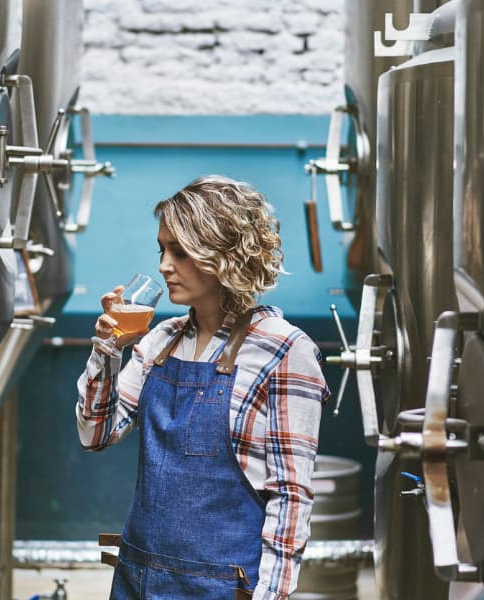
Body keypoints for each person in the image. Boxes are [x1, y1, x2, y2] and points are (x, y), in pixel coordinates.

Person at [76, 175, 330, 599]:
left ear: (223, 253)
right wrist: (107, 351)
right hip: (137, 577)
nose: (163, 265)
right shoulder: (160, 340)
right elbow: (94, 435)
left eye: (179, 251)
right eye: (162, 250)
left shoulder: (284, 350)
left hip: (220, 588)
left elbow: (291, 498)